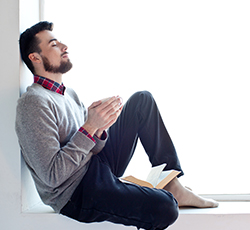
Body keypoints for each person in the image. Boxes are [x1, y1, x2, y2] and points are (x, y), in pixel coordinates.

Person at [16, 21, 218, 230]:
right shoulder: (33, 103)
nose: (64, 46)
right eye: (54, 44)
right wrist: (89, 128)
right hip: (77, 192)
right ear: (35, 57)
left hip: (94, 165)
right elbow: (52, 177)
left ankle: (171, 180)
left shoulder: (69, 94)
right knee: (165, 208)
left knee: (142, 101)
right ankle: (165, 193)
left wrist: (100, 127)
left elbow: (91, 148)